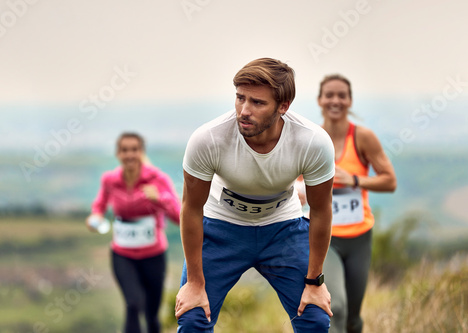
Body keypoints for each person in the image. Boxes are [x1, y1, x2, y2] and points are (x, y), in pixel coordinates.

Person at [174, 58, 336, 332]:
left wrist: (315, 282)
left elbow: (321, 211)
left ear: (283, 107)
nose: (244, 111)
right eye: (240, 98)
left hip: (282, 229)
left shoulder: (312, 142)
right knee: (192, 319)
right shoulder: (208, 139)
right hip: (221, 227)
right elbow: (191, 208)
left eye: (257, 103)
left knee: (315, 318)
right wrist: (194, 283)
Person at [316, 74, 397, 333]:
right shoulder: (313, 139)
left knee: (352, 317)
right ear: (320, 100)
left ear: (350, 100)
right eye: (329, 95)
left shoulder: (363, 138)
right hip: (324, 236)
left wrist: (353, 179)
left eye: (342, 95)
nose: (335, 100)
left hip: (359, 236)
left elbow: (389, 181)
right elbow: (294, 185)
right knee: (335, 307)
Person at [86, 132, 181, 333]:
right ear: (118, 154)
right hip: (123, 255)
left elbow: (179, 216)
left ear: (142, 152)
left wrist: (159, 198)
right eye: (124, 150)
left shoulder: (157, 179)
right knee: (133, 303)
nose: (130, 154)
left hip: (153, 256)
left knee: (152, 314)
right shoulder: (110, 180)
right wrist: (95, 218)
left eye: (134, 150)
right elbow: (99, 206)